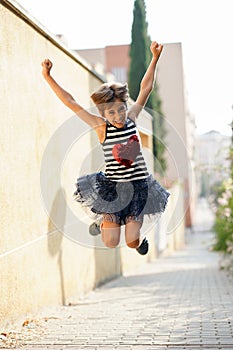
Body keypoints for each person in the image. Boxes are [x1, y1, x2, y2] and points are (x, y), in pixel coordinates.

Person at [41, 41, 170, 255]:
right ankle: (102, 222)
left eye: (121, 110)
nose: (118, 116)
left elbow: (146, 88)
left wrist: (155, 57)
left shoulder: (132, 118)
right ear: (103, 114)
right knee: (110, 241)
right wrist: (48, 77)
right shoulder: (101, 127)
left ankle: (139, 240)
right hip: (112, 187)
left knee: (131, 242)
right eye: (112, 113)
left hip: (138, 188)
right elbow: (71, 102)